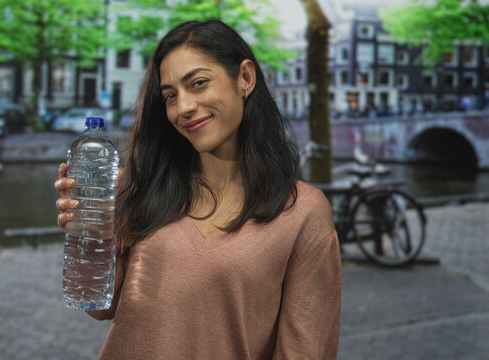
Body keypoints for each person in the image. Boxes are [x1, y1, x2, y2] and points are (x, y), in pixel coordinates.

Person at [55, 19, 341, 359]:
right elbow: (99, 306)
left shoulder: (303, 211)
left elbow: (304, 352)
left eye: (199, 83)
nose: (183, 107)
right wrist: (90, 232)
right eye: (170, 96)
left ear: (245, 78)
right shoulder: (146, 187)